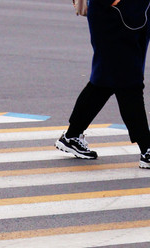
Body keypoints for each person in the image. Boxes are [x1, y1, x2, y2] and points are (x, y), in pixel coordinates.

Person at [56, 0, 150, 169]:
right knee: (129, 81)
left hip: (138, 12)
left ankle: (72, 136)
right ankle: (147, 147)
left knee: (105, 80)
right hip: (114, 15)